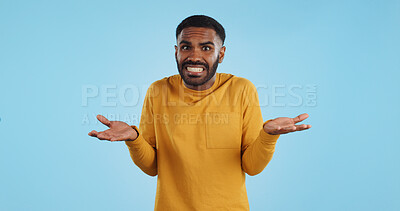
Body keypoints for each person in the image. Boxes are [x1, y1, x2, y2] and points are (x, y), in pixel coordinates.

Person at [89, 15, 311, 211]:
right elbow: (152, 167)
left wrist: (267, 136)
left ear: (221, 54)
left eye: (206, 48)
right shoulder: (158, 91)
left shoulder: (241, 89)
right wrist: (134, 139)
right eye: (186, 47)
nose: (194, 56)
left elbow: (252, 167)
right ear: (176, 52)